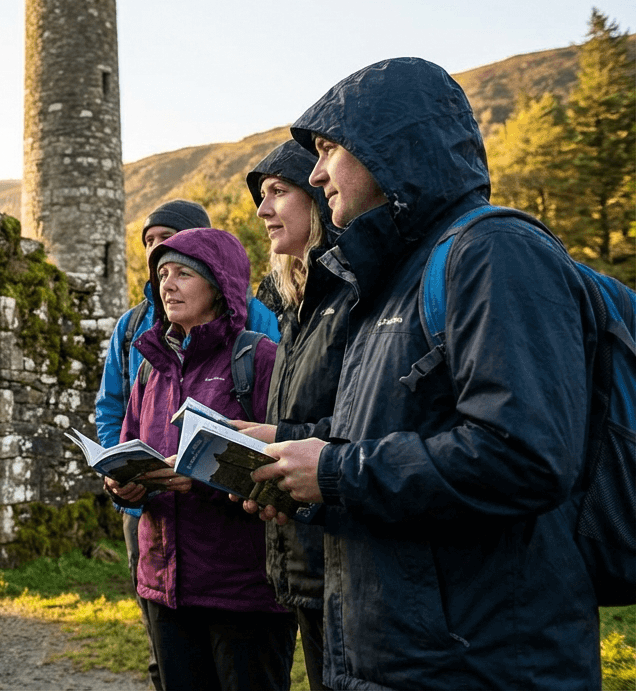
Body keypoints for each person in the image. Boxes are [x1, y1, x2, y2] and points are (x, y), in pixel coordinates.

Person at [252, 58, 600, 689]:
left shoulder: (494, 253)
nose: (315, 172)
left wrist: (331, 472)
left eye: (329, 148)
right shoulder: (387, 282)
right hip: (394, 656)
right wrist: (291, 457)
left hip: (481, 662)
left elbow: (523, 454)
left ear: (390, 148)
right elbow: (388, 432)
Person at [94, 200, 280, 691]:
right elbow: (129, 440)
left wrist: (201, 480)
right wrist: (123, 485)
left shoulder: (258, 359)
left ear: (219, 286)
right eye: (162, 274)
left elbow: (285, 469)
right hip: (163, 583)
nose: (166, 284)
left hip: (241, 589)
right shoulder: (150, 366)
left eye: (183, 274)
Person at [242, 140, 346, 690]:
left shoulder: (352, 298)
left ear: (318, 197)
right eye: (264, 196)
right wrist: (266, 440)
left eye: (278, 192)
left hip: (345, 558)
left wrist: (279, 436)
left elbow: (370, 427)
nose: (262, 210)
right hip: (302, 554)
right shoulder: (293, 310)